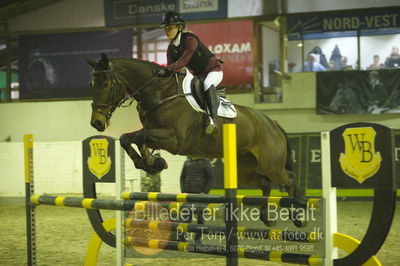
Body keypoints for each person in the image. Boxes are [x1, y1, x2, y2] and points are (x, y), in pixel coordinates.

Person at [156, 12, 223, 136]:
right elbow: (172, 69)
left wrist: (165, 69)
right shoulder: (170, 49)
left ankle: (213, 120)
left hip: (213, 70)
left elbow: (182, 62)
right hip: (197, 75)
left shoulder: (190, 40)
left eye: (170, 27)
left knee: (208, 83)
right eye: (165, 28)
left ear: (179, 27)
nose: (167, 31)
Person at [179, 157, 214, 244]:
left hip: (200, 196)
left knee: (200, 220)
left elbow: (211, 178)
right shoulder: (187, 162)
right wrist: (183, 191)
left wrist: (205, 192)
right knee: (186, 218)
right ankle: (182, 238)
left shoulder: (205, 161)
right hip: (188, 196)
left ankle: (197, 239)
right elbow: (182, 177)